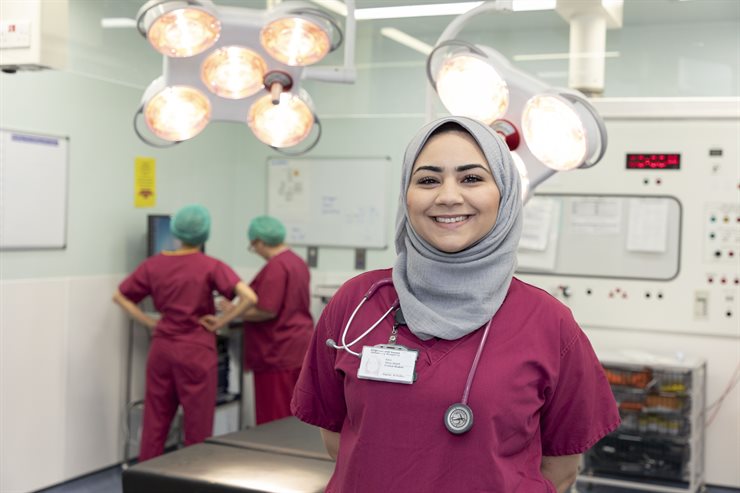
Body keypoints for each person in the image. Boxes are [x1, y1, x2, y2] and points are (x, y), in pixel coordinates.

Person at [290, 116, 620, 492]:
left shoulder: (549, 323)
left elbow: (560, 470)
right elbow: (338, 439)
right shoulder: (356, 304)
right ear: (406, 194)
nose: (448, 196)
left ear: (505, 193)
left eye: (471, 178)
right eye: (428, 179)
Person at [113, 204, 257, 461]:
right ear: (205, 234)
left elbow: (120, 296)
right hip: (196, 351)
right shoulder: (211, 265)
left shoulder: (153, 265)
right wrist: (222, 320)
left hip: (162, 349)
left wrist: (148, 321)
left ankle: (147, 483)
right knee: (197, 427)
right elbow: (249, 297)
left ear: (176, 233)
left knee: (155, 422)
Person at [235, 215, 314, 425]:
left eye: (254, 247)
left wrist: (235, 312)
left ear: (260, 242)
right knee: (293, 414)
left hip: (276, 350)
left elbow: (267, 310)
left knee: (273, 418)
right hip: (298, 347)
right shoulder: (296, 262)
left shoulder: (276, 267)